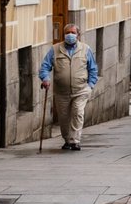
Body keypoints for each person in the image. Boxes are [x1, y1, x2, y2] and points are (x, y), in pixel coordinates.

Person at [38, 23, 98, 151]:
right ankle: (67, 140)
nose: (70, 35)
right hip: (61, 92)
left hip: (81, 90)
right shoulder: (55, 49)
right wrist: (45, 79)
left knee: (78, 113)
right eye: (67, 33)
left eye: (73, 32)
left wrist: (90, 86)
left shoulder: (85, 49)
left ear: (78, 35)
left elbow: (93, 69)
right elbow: (45, 67)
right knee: (64, 118)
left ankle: (75, 141)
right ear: (64, 35)